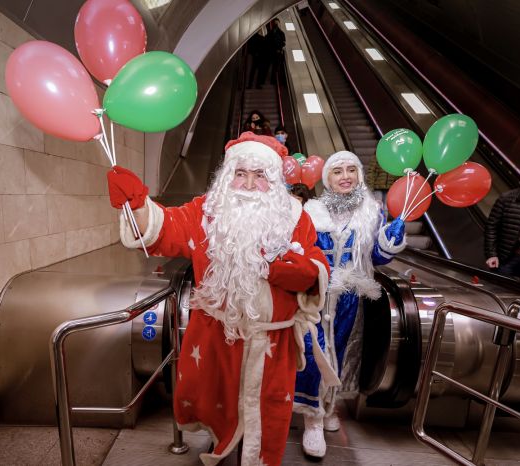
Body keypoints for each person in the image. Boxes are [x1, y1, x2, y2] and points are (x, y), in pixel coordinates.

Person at [107, 132, 334, 466]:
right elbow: (165, 229)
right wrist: (137, 205)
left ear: (273, 180)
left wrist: (289, 269)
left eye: (259, 175)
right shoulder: (207, 211)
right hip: (217, 336)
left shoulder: (295, 217)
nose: (248, 183)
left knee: (268, 415)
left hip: (272, 342)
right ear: (228, 176)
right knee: (221, 408)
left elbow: (317, 268)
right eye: (240, 173)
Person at [293, 151, 407, 458]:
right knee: (314, 350)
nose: (345, 176)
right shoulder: (312, 212)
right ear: (327, 178)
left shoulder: (372, 213)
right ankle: (312, 419)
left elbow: (378, 259)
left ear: (358, 175)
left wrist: (389, 241)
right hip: (315, 295)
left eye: (350, 170)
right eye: (337, 171)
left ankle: (330, 406)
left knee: (341, 350)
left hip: (349, 298)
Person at [266, 19, 286, 85]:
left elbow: (283, 43)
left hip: (276, 53)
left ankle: (273, 81)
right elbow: (267, 40)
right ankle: (269, 80)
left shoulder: (281, 33)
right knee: (270, 66)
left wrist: (279, 49)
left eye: (277, 24)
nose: (276, 25)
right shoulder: (271, 33)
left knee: (274, 68)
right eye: (275, 24)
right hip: (271, 52)